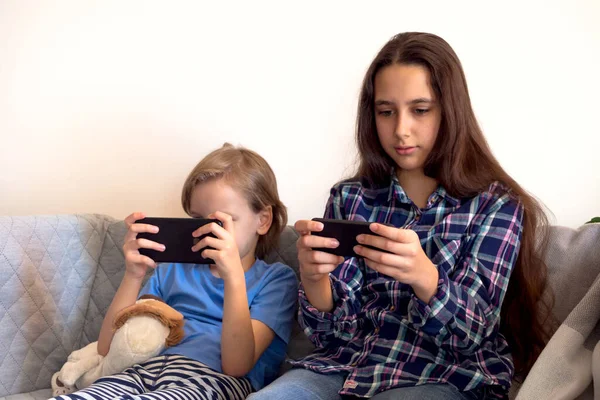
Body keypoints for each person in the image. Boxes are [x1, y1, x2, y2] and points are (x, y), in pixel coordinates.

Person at [249, 32, 552, 400]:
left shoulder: (496, 205)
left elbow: (473, 332)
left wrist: (425, 277)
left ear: (450, 110)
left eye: (420, 110)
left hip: (443, 376)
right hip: (345, 367)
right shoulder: (350, 197)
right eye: (386, 111)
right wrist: (315, 281)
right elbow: (329, 337)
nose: (401, 129)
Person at [53, 143, 298, 400]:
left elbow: (236, 367)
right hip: (139, 371)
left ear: (263, 220)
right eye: (197, 220)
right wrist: (133, 276)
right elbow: (108, 349)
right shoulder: (173, 270)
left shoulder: (276, 280)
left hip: (211, 380)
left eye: (220, 222)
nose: (208, 233)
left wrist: (233, 276)